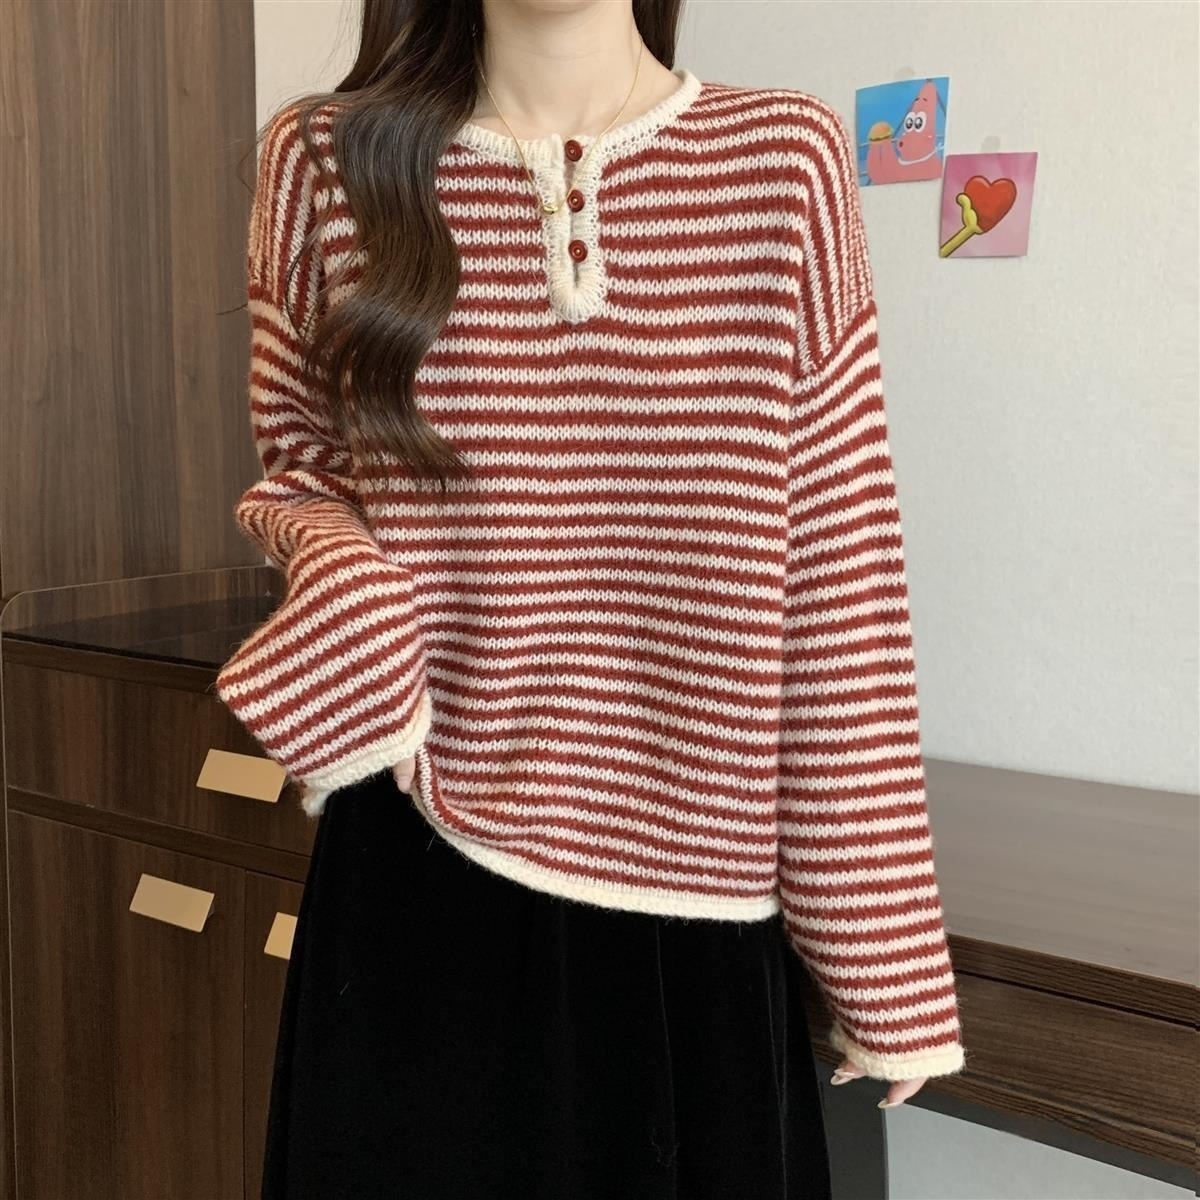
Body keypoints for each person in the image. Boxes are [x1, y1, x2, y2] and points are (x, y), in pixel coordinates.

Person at [215, 1, 969, 1196]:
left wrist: (883, 959)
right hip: (421, 864)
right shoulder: (324, 160)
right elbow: (300, 472)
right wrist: (343, 571)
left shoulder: (786, 159)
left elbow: (841, 568)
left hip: (699, 899)